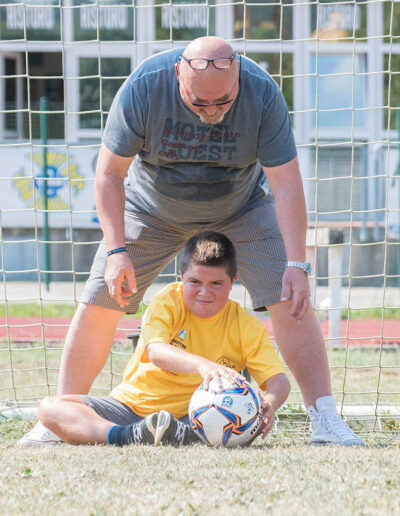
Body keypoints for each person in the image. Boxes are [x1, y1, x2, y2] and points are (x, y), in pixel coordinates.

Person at [19, 36, 363, 447]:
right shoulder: (144, 87)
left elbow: (286, 184)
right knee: (102, 295)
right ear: (178, 75)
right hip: (152, 208)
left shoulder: (263, 92)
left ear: (239, 76)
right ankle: (58, 418)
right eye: (200, 103)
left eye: (225, 100)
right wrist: (116, 251)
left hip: (241, 206)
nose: (213, 110)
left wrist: (297, 264)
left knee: (291, 295)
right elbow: (109, 174)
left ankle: (324, 418)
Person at [38, 232, 290, 446]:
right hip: (130, 407)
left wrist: (269, 403)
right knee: (50, 407)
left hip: (191, 418)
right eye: (194, 282)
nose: (205, 292)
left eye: (216, 283)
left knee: (232, 425)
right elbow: (156, 352)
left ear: (233, 282)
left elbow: (278, 380)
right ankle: (128, 435)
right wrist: (206, 366)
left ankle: (182, 435)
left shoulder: (244, 324)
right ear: (181, 277)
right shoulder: (168, 301)